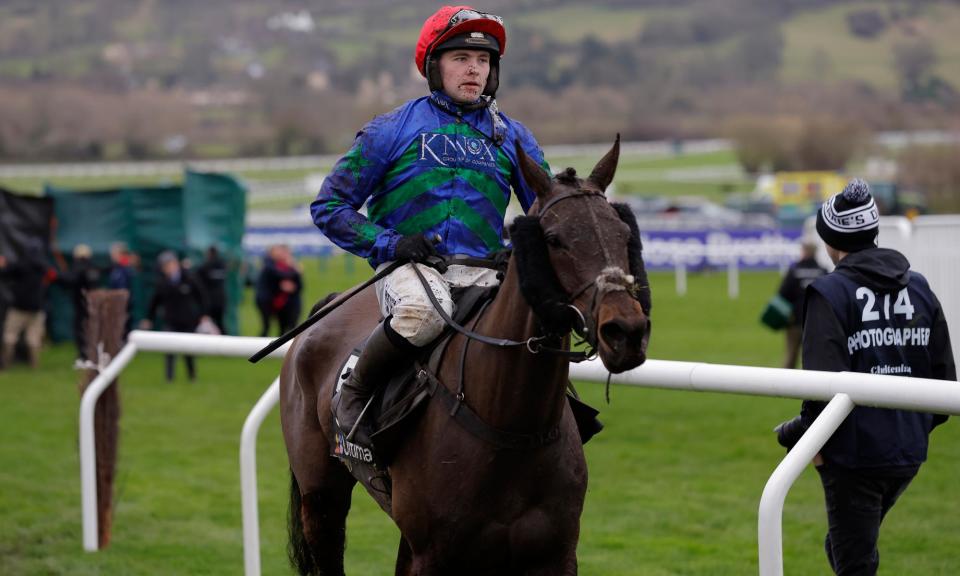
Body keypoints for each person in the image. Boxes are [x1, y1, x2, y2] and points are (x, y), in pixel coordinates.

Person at [310, 5, 549, 449]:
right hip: (408, 272)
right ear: (434, 67)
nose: (474, 69)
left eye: (483, 61)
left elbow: (545, 212)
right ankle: (355, 394)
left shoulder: (515, 137)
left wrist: (519, 248)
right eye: (461, 59)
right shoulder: (389, 130)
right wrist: (392, 243)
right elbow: (329, 206)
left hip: (485, 273)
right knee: (423, 313)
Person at [775, 179, 956, 575]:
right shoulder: (921, 287)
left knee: (852, 562)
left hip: (854, 459)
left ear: (832, 241)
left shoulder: (828, 292)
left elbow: (820, 388)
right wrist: (906, 430)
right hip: (908, 453)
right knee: (847, 550)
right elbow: (945, 381)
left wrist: (797, 435)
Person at [142, 251, 209, 382]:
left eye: (171, 264)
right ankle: (169, 378)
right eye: (165, 266)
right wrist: (148, 319)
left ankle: (192, 376)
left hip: (188, 320)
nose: (169, 268)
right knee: (169, 349)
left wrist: (203, 314)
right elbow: (154, 302)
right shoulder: (162, 282)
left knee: (189, 350)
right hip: (171, 320)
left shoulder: (189, 278)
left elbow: (202, 296)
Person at [0, 240, 53, 368]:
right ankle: (34, 366)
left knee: (9, 337)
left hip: (19, 308)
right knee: (33, 340)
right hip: (36, 308)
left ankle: (5, 365)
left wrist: (2, 265)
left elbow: (4, 273)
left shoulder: (20, 264)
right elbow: (52, 276)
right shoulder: (43, 266)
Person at [776, 239, 828, 369]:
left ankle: (784, 386)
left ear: (804, 251)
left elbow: (782, 294)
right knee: (814, 358)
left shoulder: (794, 271)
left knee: (790, 357)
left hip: (795, 322)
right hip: (816, 322)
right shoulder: (822, 271)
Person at [57, 244, 104, 360]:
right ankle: (92, 353)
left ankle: (84, 356)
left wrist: (58, 276)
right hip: (93, 303)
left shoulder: (79, 267)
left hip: (81, 304)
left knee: (81, 329)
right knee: (92, 328)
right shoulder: (93, 267)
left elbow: (70, 280)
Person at [254, 245, 303, 336]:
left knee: (287, 326)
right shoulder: (269, 264)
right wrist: (296, 270)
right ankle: (262, 347)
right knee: (267, 325)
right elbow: (278, 275)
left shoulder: (281, 266)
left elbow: (299, 286)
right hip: (266, 300)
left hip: (285, 302)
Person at [196, 245, 228, 334]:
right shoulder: (222, 264)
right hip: (221, 299)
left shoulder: (205, 266)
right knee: (220, 323)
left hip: (209, 300)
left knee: (207, 324)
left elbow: (197, 275)